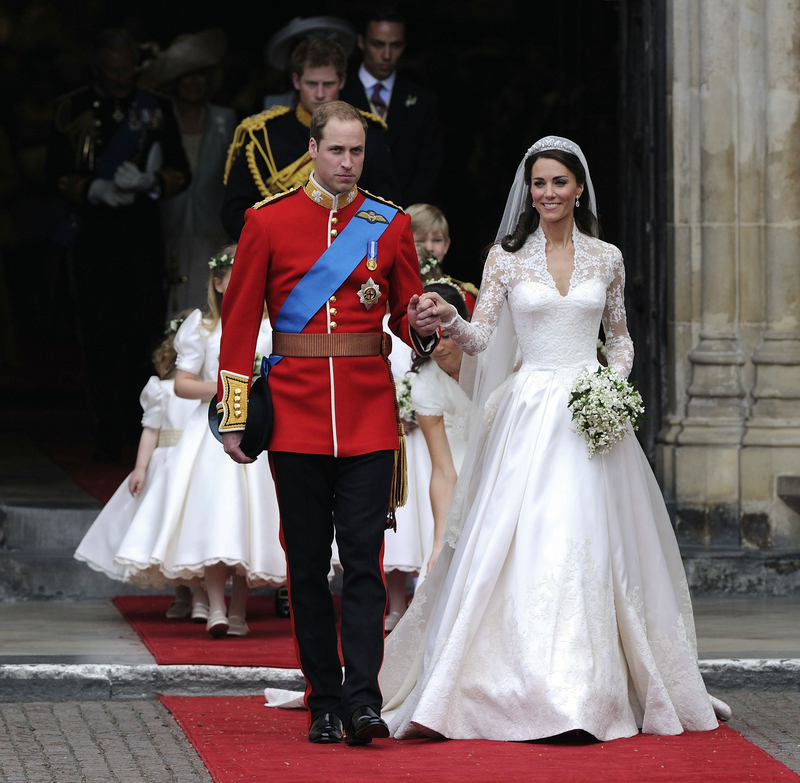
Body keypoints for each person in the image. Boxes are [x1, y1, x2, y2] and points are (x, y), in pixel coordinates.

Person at [379, 136, 730, 741]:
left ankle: (590, 690)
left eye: (558, 183)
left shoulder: (607, 257)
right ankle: (512, 684)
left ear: (578, 188)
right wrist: (446, 318)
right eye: (538, 184)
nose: (547, 194)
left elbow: (619, 338)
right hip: (529, 411)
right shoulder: (505, 258)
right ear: (529, 191)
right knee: (522, 538)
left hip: (590, 411)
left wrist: (612, 387)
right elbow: (484, 336)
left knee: (590, 537)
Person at [217, 101, 439, 744]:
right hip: (295, 417)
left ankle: (365, 700)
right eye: (337, 150)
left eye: (357, 152)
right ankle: (323, 699)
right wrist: (236, 417)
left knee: (366, 564)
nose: (347, 163)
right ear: (312, 150)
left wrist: (419, 325)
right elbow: (237, 329)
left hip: (368, 416)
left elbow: (402, 316)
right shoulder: (268, 222)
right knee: (308, 566)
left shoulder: (389, 223)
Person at [113, 248, 285, 637]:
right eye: (233, 276)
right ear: (219, 282)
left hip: (256, 429)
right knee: (215, 516)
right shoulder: (202, 326)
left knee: (250, 519)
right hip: (210, 431)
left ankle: (239, 609)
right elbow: (183, 383)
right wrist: (230, 387)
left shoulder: (269, 327)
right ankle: (216, 608)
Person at [46, 28, 191, 460]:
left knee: (145, 330)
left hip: (142, 236)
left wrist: (152, 183)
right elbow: (52, 170)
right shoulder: (71, 108)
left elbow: (181, 170)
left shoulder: (156, 107)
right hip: (93, 238)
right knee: (99, 333)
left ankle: (137, 422)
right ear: (98, 65)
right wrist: (91, 189)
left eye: (126, 66)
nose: (119, 74)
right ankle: (104, 425)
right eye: (112, 67)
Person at [220, 38, 398, 239]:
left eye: (328, 84)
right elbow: (235, 211)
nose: (320, 94)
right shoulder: (263, 137)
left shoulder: (368, 135)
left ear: (342, 81)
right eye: (312, 84)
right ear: (296, 81)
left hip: (349, 255)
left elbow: (384, 206)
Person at [73, 314, 199, 594]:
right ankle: (181, 594)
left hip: (196, 466)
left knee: (190, 529)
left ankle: (201, 594)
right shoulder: (162, 390)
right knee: (165, 529)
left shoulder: (209, 393)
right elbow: (151, 430)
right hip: (166, 466)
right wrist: (140, 468)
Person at [139, 29, 237, 313]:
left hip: (213, 230)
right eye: (187, 76)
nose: (196, 83)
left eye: (201, 75)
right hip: (169, 228)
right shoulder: (159, 121)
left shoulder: (225, 119)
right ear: (174, 82)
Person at [340, 7, 443, 205]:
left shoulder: (423, 100)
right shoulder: (339, 95)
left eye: (395, 45)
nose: (387, 55)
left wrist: (405, 214)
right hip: (347, 214)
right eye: (378, 44)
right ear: (361, 42)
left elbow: (430, 167)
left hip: (408, 214)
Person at [408, 281, 472, 576]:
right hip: (457, 473)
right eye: (432, 338)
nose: (440, 347)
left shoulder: (498, 360)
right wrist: (438, 542)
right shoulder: (425, 382)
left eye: (447, 336)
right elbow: (443, 469)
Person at [408, 203, 478, 313]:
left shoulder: (463, 296)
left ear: (446, 245)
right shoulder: (387, 293)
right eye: (420, 241)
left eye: (437, 240)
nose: (429, 248)